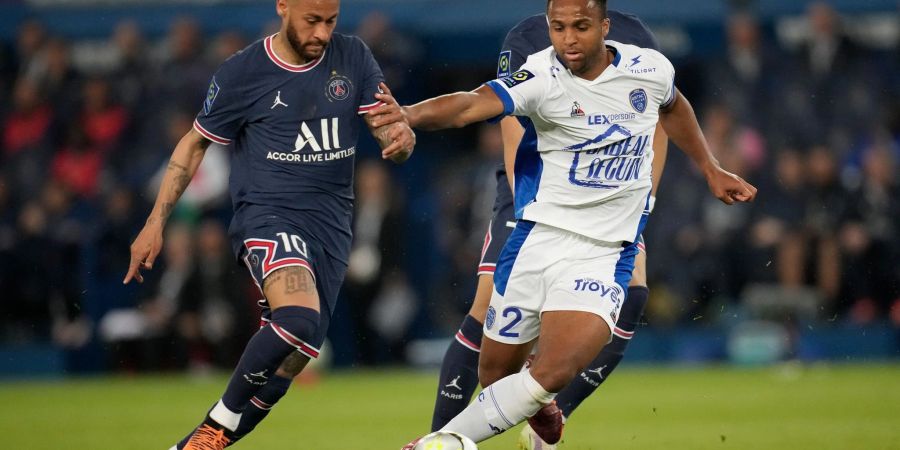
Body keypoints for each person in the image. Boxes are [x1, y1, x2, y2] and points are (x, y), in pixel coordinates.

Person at [373, 0, 756, 446]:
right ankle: (536, 411)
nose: (569, 39)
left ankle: (440, 443)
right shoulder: (537, 69)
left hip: (602, 249)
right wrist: (411, 114)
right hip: (537, 233)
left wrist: (709, 169)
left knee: (553, 368)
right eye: (559, 28)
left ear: (604, 27)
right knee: (496, 373)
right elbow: (474, 106)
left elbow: (671, 107)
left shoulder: (646, 64)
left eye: (581, 27)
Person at [123, 1, 415, 449]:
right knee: (297, 317)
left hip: (332, 227)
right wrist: (155, 221)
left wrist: (399, 138)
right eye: (311, 21)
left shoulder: (353, 56)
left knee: (292, 359)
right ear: (283, 7)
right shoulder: (243, 72)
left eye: (330, 21)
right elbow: (194, 145)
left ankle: (190, 448)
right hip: (268, 215)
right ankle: (215, 425)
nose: (321, 33)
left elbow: (386, 126)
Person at [427, 8, 672, 449]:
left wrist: (643, 202)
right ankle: (439, 439)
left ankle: (547, 423)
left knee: (633, 291)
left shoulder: (636, 35)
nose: (570, 34)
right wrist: (534, 210)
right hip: (536, 191)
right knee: (486, 314)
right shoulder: (524, 37)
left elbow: (659, 120)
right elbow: (510, 124)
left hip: (610, 196)